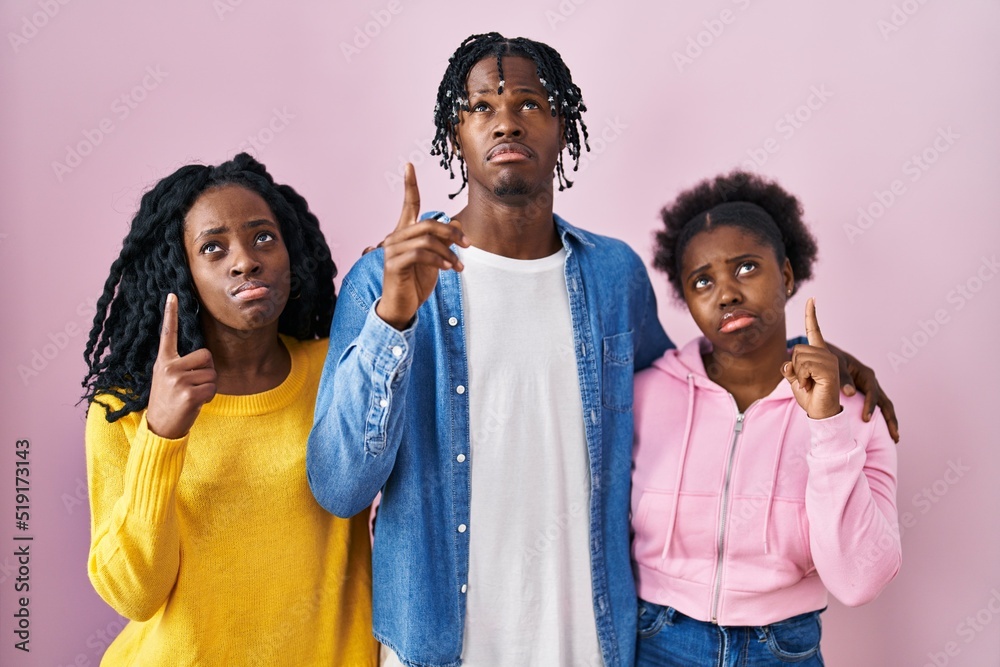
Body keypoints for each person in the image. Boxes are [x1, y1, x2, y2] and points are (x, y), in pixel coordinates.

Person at [306, 33, 896, 667]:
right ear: (455, 135)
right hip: (439, 644)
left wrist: (809, 356)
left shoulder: (612, 274)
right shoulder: (384, 282)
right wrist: (391, 320)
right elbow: (339, 486)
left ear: (563, 126)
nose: (506, 119)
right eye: (481, 106)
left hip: (593, 642)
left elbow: (692, 382)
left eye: (530, 103)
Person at [81, 153, 379, 666]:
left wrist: (388, 312)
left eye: (263, 236)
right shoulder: (126, 408)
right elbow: (133, 595)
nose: (244, 260)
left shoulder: (340, 369)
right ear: (183, 272)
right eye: (213, 248)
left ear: (293, 251)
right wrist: (161, 435)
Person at [630, 171, 901, 666]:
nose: (726, 293)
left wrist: (827, 425)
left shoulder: (854, 410)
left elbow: (861, 581)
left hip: (782, 649)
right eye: (703, 281)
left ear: (789, 275)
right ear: (686, 300)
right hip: (657, 642)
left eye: (747, 268)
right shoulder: (643, 396)